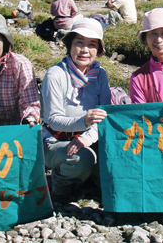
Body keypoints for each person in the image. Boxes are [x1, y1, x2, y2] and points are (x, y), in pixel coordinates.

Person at [41, 18, 111, 203]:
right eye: (79, 43)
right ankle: (60, 183)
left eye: (91, 45)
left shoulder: (100, 74)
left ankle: (84, 179)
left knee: (110, 162)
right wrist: (84, 120)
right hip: (57, 139)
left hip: (88, 138)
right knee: (83, 160)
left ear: (98, 50)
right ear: (70, 45)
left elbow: (105, 114)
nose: (85, 50)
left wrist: (86, 137)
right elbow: (53, 119)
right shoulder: (55, 74)